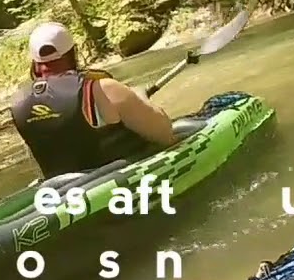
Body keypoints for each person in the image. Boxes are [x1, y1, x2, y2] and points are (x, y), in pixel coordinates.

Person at [10, 22, 178, 180]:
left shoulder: (19, 103)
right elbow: (165, 135)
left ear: (35, 62)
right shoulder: (102, 89)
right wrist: (140, 96)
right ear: (73, 52)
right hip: (118, 182)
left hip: (63, 191)